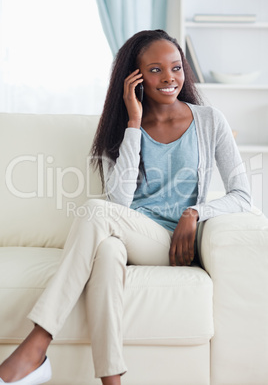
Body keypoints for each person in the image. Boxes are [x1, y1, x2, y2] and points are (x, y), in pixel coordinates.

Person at [0, 29, 251, 385]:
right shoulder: (126, 127)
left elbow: (243, 195)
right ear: (134, 79)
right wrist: (134, 122)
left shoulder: (210, 121)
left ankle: (36, 345)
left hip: (172, 243)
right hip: (130, 232)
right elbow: (120, 202)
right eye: (155, 70)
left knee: (94, 211)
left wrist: (194, 212)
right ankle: (112, 381)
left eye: (176, 68)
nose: (169, 78)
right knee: (105, 254)